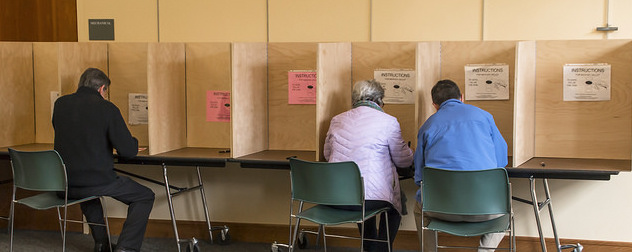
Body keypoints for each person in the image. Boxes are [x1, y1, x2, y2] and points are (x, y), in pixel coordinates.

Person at [53, 68, 155, 252]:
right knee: (144, 196)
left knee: (87, 193)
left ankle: (102, 244)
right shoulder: (107, 108)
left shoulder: (60, 104)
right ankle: (126, 248)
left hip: (65, 183)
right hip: (96, 181)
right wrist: (131, 143)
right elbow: (128, 151)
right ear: (102, 89)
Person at [413, 79, 508, 252]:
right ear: (462, 97)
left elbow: (420, 177)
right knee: (505, 205)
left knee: (419, 207)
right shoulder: (484, 116)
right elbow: (501, 163)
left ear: (434, 104)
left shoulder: (428, 125)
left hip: (440, 208)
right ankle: (485, 251)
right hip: (486, 208)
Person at [324, 79, 413, 252]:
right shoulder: (388, 121)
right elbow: (404, 161)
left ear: (355, 99)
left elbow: (328, 155)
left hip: (336, 196)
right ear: (379, 100)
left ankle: (369, 246)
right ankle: (382, 248)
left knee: (364, 194)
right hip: (371, 200)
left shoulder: (336, 120)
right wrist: (411, 152)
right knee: (395, 203)